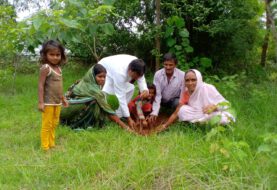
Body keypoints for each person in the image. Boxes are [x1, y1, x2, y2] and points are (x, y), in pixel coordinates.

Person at [60, 64, 131, 131]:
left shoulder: (85, 81)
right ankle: (80, 124)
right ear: (93, 76)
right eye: (100, 76)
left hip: (65, 108)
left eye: (104, 77)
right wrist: (126, 128)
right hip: (66, 110)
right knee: (95, 102)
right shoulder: (93, 90)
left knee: (99, 100)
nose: (103, 79)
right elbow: (108, 111)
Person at [160, 69, 236, 130]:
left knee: (224, 118)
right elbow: (176, 112)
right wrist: (165, 126)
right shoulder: (186, 93)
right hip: (198, 113)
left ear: (199, 79)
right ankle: (200, 124)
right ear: (185, 82)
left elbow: (226, 104)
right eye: (187, 80)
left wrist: (214, 107)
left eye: (193, 80)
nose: (190, 83)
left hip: (212, 113)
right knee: (182, 110)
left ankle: (201, 124)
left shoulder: (208, 88)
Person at [98, 54, 149, 128]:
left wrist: (144, 89)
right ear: (130, 71)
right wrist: (129, 119)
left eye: (139, 76)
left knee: (130, 88)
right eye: (135, 76)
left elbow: (141, 78)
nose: (137, 78)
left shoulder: (138, 65)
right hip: (105, 68)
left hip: (114, 66)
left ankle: (119, 115)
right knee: (107, 93)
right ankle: (108, 115)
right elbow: (120, 97)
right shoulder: (120, 73)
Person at [38, 40, 68, 151]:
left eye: (58, 55)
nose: (55, 57)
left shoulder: (59, 69)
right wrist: (41, 102)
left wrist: (63, 98)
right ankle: (45, 147)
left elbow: (59, 85)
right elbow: (40, 85)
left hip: (57, 102)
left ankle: (51, 143)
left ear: (61, 55)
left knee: (55, 123)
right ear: (45, 55)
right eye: (51, 54)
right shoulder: (46, 68)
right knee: (47, 124)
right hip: (48, 102)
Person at [148, 52, 185, 123]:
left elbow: (183, 94)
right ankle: (151, 112)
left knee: (178, 102)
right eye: (166, 64)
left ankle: (175, 115)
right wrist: (155, 112)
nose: (168, 67)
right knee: (149, 96)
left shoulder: (182, 75)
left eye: (171, 65)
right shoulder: (158, 74)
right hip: (161, 99)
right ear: (163, 64)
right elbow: (157, 94)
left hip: (173, 100)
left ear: (175, 65)